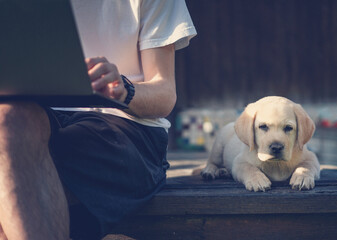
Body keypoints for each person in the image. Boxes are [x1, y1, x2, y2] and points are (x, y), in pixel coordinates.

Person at [0, 0, 196, 239]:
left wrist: (124, 89)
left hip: (124, 125)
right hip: (32, 120)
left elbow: (165, 94)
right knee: (8, 121)